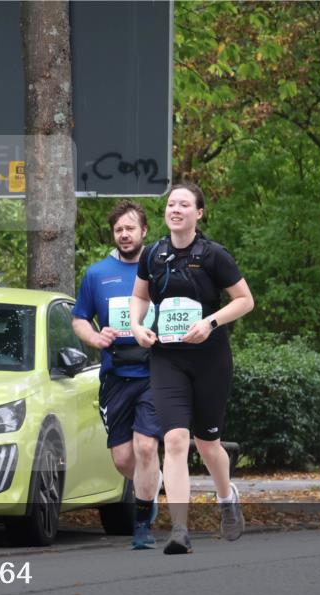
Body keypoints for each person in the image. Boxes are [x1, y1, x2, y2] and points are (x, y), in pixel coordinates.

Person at [129, 182, 254, 555]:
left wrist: (211, 323)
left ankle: (226, 497)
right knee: (175, 441)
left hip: (210, 359)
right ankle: (179, 529)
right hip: (167, 358)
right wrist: (137, 326)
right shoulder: (152, 254)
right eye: (171, 204)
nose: (176, 209)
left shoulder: (214, 255)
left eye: (184, 204)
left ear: (199, 213)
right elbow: (140, 296)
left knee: (208, 443)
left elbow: (245, 300)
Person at [72, 200, 163, 549]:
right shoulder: (97, 274)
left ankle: (142, 526)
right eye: (119, 230)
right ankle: (150, 488)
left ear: (144, 231)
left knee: (144, 446)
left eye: (130, 228)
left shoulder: (157, 270)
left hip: (153, 373)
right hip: (114, 376)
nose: (124, 234)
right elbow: (79, 317)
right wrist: (95, 336)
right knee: (124, 458)